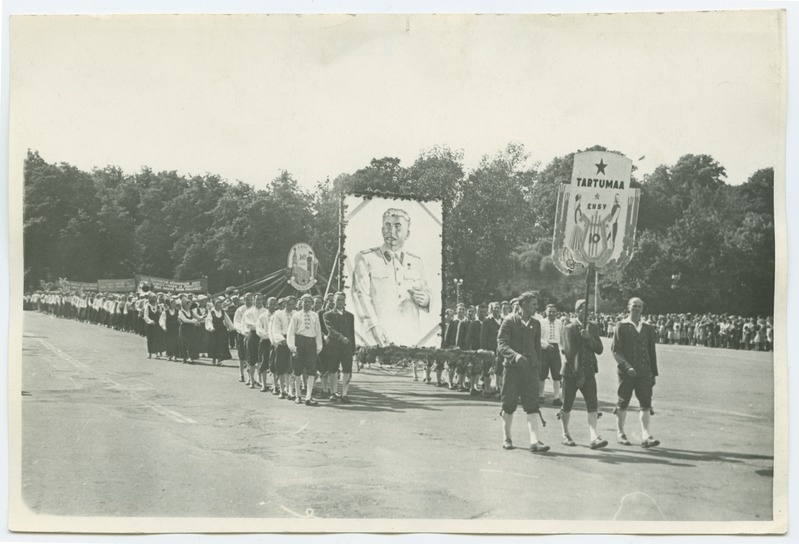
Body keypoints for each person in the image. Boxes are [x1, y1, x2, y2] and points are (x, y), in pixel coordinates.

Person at [351, 208, 432, 347]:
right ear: (382, 230)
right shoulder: (366, 258)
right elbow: (360, 294)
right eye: (387, 226)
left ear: (407, 233)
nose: (391, 231)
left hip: (411, 336)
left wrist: (427, 300)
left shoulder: (417, 262)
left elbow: (428, 291)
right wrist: (372, 326)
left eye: (397, 227)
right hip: (380, 335)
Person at [496, 291, 550, 453]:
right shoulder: (509, 322)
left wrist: (538, 366)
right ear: (524, 305)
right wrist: (515, 356)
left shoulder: (536, 323)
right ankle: (507, 438)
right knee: (509, 404)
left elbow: (537, 348)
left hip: (530, 370)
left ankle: (534, 442)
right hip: (512, 370)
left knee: (532, 404)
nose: (536, 307)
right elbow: (501, 344)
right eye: (533, 304)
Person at [612, 297, 660, 448]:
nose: (637, 308)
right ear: (628, 307)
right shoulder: (621, 325)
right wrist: (627, 367)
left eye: (639, 306)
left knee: (646, 403)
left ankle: (646, 435)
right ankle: (620, 433)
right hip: (626, 372)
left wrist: (653, 373)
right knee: (623, 402)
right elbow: (615, 351)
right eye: (634, 306)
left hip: (644, 371)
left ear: (642, 309)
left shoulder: (648, 327)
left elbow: (651, 351)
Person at [559, 299, 607, 449]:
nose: (588, 312)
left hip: (589, 371)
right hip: (571, 373)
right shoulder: (569, 328)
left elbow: (599, 349)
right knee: (567, 404)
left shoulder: (593, 327)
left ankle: (594, 436)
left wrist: (589, 338)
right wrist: (579, 375)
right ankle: (565, 434)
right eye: (584, 309)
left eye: (589, 309)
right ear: (577, 310)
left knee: (592, 404)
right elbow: (570, 354)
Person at [287, 294, 323, 406]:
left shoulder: (315, 316)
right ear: (301, 303)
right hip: (300, 342)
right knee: (297, 370)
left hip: (311, 343)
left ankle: (308, 397)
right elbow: (291, 332)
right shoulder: (296, 315)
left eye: (308, 301)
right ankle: (298, 396)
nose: (306, 303)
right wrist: (293, 347)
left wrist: (318, 347)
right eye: (304, 301)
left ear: (311, 303)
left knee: (311, 371)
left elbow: (318, 331)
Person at [323, 291, 356, 403]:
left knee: (347, 369)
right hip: (333, 346)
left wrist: (353, 348)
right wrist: (341, 338)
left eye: (342, 300)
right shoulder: (328, 315)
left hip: (347, 347)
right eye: (338, 300)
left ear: (344, 301)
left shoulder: (350, 316)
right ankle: (333, 392)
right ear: (334, 301)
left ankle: (344, 394)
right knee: (333, 370)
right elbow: (330, 330)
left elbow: (351, 333)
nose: (340, 302)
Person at [270, 296, 296, 399]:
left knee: (291, 367)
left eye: (293, 304)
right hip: (282, 341)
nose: (290, 306)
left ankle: (290, 390)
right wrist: (282, 340)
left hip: (293, 340)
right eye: (288, 304)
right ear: (284, 303)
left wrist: (293, 341)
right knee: (281, 367)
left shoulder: (296, 314)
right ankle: (282, 390)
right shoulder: (278, 314)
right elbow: (275, 329)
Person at [538, 303, 564, 406]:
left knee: (557, 374)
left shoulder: (559, 323)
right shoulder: (541, 322)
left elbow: (562, 337)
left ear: (557, 312)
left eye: (553, 311)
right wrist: (545, 345)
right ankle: (541, 395)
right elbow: (538, 337)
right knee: (542, 373)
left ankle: (556, 397)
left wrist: (563, 348)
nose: (551, 313)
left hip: (555, 349)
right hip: (544, 349)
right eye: (549, 311)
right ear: (546, 312)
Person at [480, 301, 503, 396]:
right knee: (487, 369)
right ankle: (487, 389)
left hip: (501, 348)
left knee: (500, 369)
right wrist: (484, 350)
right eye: (495, 308)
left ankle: (499, 388)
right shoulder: (487, 321)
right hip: (489, 348)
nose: (497, 309)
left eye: (498, 307)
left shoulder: (504, 320)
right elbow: (483, 337)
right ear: (491, 309)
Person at [256, 297, 278, 391]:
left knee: (275, 363)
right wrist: (267, 335)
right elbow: (258, 329)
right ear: (267, 304)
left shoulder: (279, 315)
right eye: (270, 304)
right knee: (264, 362)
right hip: (265, 341)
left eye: (274, 304)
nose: (272, 306)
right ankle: (264, 384)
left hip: (276, 341)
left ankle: (275, 385)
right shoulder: (263, 316)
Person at [206, 297, 234, 365]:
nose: (219, 306)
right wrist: (211, 328)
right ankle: (213, 359)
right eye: (217, 305)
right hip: (214, 330)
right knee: (214, 344)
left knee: (221, 345)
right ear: (214, 305)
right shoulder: (211, 312)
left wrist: (231, 328)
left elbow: (228, 321)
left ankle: (219, 360)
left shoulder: (223, 312)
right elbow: (209, 321)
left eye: (220, 305)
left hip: (222, 330)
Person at [233, 293, 253, 383]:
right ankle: (241, 374)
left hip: (252, 335)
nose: (249, 301)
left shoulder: (255, 309)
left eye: (250, 299)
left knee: (251, 356)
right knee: (242, 356)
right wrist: (243, 331)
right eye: (247, 299)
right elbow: (236, 323)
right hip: (242, 334)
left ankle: (251, 376)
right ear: (244, 300)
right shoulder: (240, 310)